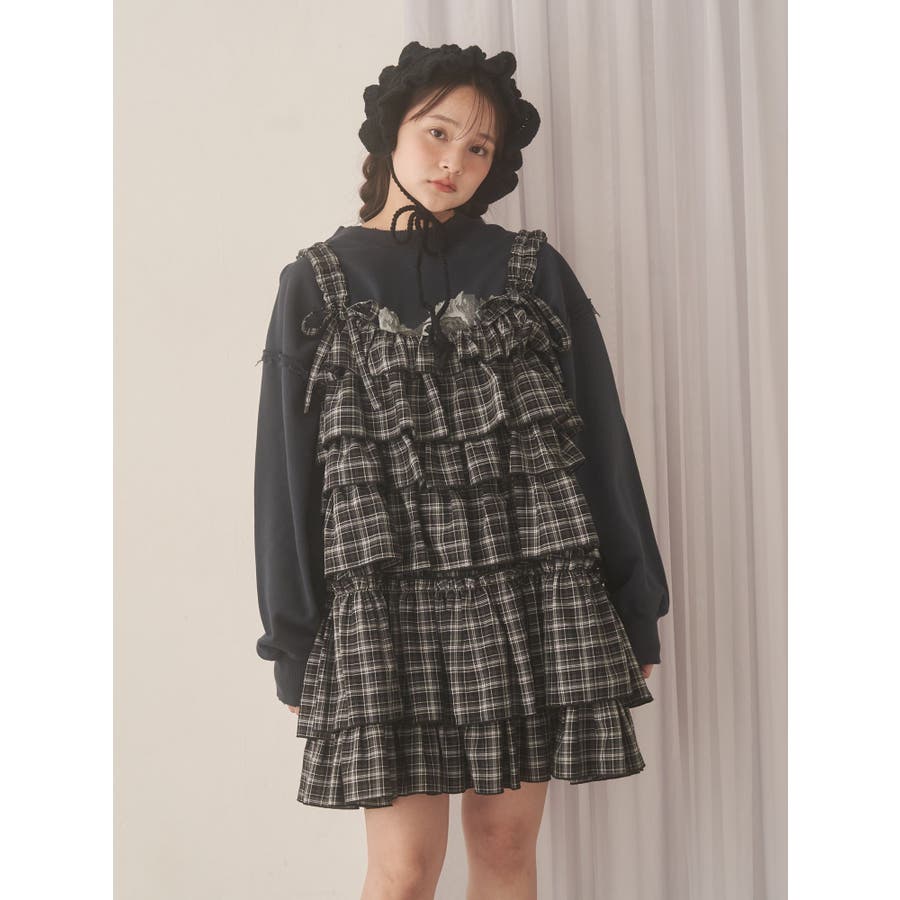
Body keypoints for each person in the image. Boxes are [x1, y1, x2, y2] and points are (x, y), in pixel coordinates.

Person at [253, 41, 669, 899]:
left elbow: (602, 440)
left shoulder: (530, 270)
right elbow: (285, 479)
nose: (454, 161)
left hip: (529, 594)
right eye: (438, 132)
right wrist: (293, 639)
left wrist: (636, 605)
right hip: (385, 610)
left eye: (479, 147)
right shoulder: (316, 284)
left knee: (506, 851)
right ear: (391, 133)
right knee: (405, 871)